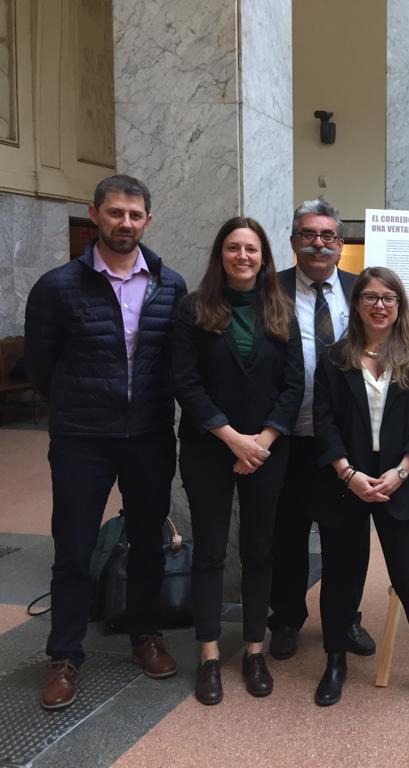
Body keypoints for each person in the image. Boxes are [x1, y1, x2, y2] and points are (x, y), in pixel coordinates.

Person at [24, 174, 187, 711]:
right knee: (72, 548)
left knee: (147, 543)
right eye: (115, 213)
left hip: (148, 436)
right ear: (94, 214)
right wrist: (80, 406)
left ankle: (145, 636)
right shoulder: (56, 286)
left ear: (148, 220)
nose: (125, 223)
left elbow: (174, 363)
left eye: (135, 215)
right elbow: (41, 368)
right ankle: (65, 656)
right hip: (81, 440)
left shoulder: (169, 284)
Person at [173, 217, 304, 705]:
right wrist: (234, 440)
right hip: (210, 448)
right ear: (220, 254)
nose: (243, 256)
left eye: (251, 248)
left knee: (259, 550)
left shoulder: (281, 309)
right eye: (233, 248)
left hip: (269, 451)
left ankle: (253, 650)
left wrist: (262, 442)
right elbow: (185, 382)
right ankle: (209, 654)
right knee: (209, 551)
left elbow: (294, 386)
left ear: (264, 256)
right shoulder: (194, 309)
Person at [311, 267, 409, 710]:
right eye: (370, 297)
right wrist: (348, 473)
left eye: (388, 297)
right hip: (344, 482)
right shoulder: (336, 356)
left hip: (398, 482)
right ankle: (334, 662)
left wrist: (402, 471)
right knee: (340, 580)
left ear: (399, 304)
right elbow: (324, 422)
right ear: (358, 304)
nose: (379, 305)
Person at [267, 199, 374, 661]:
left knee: (347, 540)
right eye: (308, 234)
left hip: (348, 443)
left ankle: (345, 618)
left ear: (340, 244)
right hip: (285, 438)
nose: (318, 243)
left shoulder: (361, 293)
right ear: (293, 242)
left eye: (328, 236)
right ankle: (287, 619)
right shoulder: (267, 292)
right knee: (286, 535)